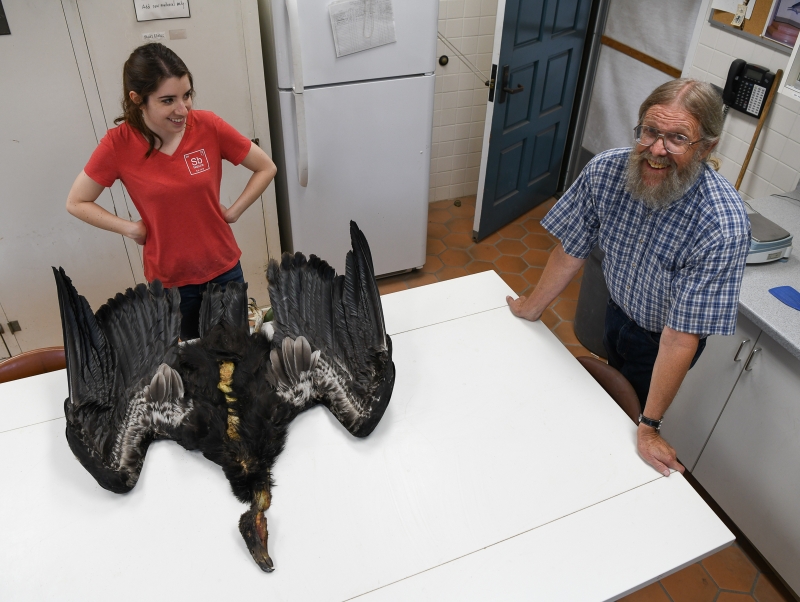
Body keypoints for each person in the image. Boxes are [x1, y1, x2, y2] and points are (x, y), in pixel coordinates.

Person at [506, 79, 750, 477]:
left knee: (626, 426)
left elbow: (680, 336)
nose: (656, 149)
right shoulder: (606, 171)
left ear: (706, 147)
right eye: (651, 131)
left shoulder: (721, 226)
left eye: (677, 138)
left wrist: (650, 428)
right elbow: (571, 250)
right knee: (607, 395)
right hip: (617, 312)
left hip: (663, 340)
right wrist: (531, 308)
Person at [66, 43, 277, 340]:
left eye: (187, 95)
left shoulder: (208, 126)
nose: (183, 109)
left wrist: (233, 211)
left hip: (224, 270)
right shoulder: (118, 144)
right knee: (191, 360)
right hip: (170, 283)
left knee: (237, 349)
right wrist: (129, 228)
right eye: (168, 100)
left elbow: (266, 167)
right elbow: (76, 201)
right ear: (138, 99)